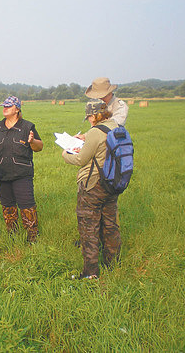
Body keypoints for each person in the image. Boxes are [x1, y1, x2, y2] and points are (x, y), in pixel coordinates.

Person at [61, 99, 122, 279]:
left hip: (93, 184)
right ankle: (112, 264)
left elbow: (81, 160)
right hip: (112, 183)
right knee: (110, 224)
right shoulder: (115, 127)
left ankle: (90, 273)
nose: (88, 119)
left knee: (88, 227)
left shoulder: (95, 132)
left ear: (95, 115)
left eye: (89, 116)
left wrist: (66, 154)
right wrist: (85, 137)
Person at [0, 96, 43, 243]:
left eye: (8, 106)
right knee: (7, 205)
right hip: (1, 173)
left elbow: (39, 147)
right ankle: (13, 235)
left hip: (21, 173)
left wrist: (32, 141)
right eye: (3, 106)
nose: (4, 108)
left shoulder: (27, 127)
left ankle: (32, 237)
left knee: (26, 205)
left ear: (17, 109)